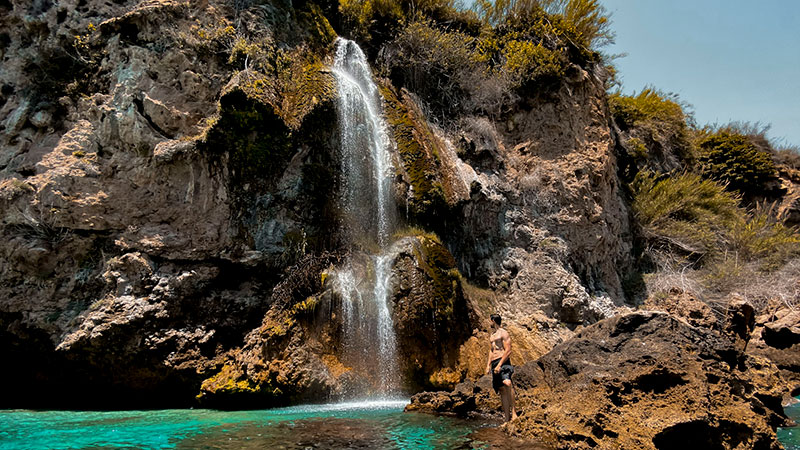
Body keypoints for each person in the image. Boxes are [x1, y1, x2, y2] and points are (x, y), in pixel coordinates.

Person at [485, 313, 517, 422]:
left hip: (502, 361)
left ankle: (514, 414)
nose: (489, 322)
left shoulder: (504, 333)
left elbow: (508, 350)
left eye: (490, 320)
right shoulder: (492, 335)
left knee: (507, 383)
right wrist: (488, 365)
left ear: (493, 320)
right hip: (494, 362)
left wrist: (499, 365)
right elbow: (491, 350)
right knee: (501, 390)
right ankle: (507, 419)